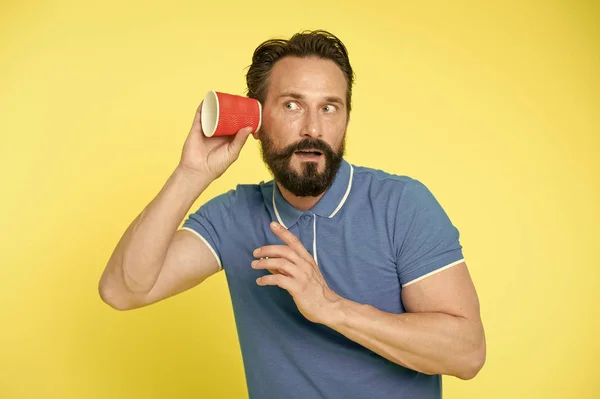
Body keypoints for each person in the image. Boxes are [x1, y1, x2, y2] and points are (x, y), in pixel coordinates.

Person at [99, 29, 486, 398]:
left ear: (347, 117)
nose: (312, 129)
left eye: (329, 108)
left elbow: (467, 353)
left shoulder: (401, 205)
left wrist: (332, 308)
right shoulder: (234, 216)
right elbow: (123, 290)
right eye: (291, 105)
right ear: (256, 118)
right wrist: (190, 174)